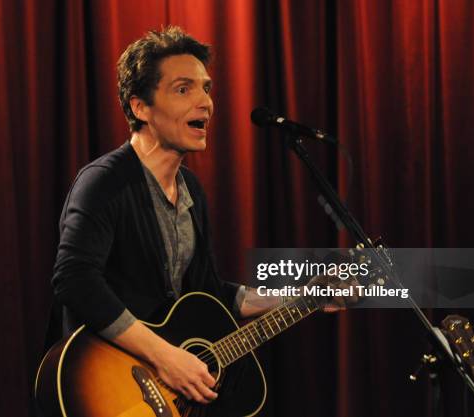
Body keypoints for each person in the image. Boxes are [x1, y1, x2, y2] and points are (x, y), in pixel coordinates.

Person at [51, 26, 353, 405]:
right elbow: (75, 280)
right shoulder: (104, 181)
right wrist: (165, 357)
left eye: (206, 88)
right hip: (112, 387)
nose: (205, 102)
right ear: (139, 107)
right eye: (183, 89)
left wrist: (302, 294)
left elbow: (210, 293)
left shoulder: (191, 190)